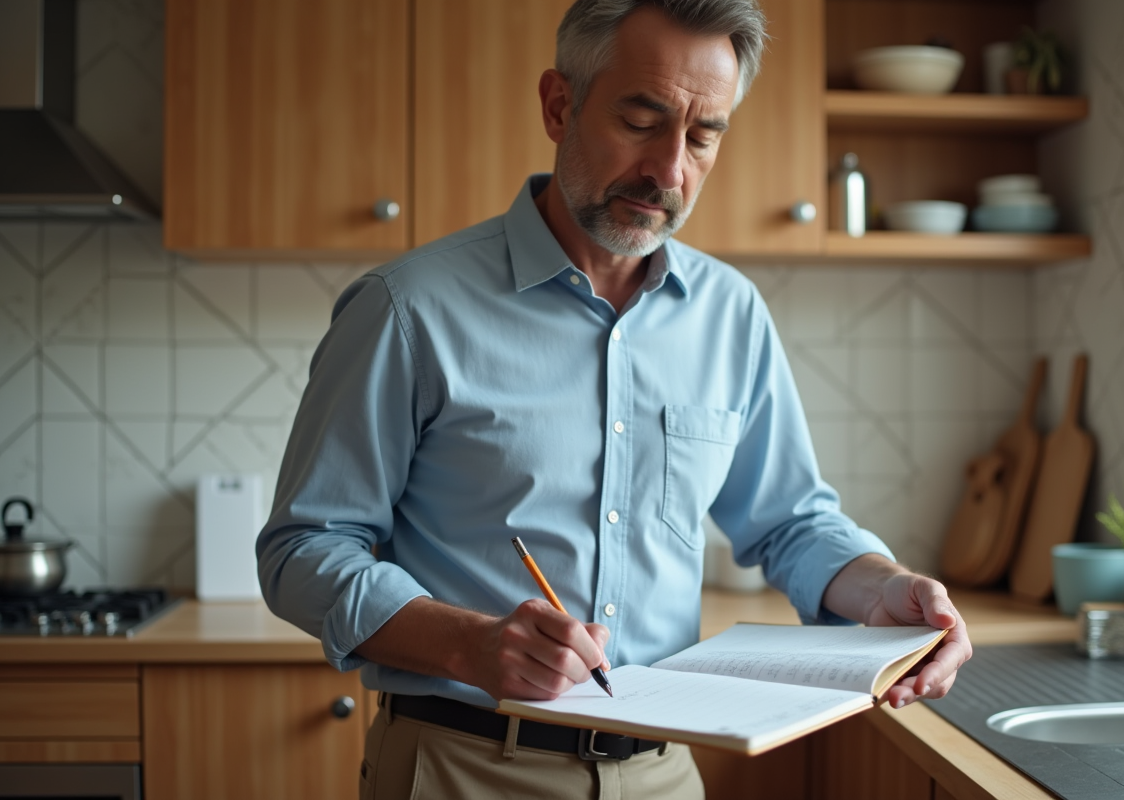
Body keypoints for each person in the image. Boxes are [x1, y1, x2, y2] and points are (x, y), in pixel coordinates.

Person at [256, 1, 972, 798]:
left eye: (703, 137)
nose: (669, 171)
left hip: (666, 770)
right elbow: (303, 550)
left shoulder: (731, 314)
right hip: (465, 767)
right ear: (559, 106)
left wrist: (886, 588)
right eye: (641, 121)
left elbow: (792, 523)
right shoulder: (407, 308)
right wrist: (468, 645)